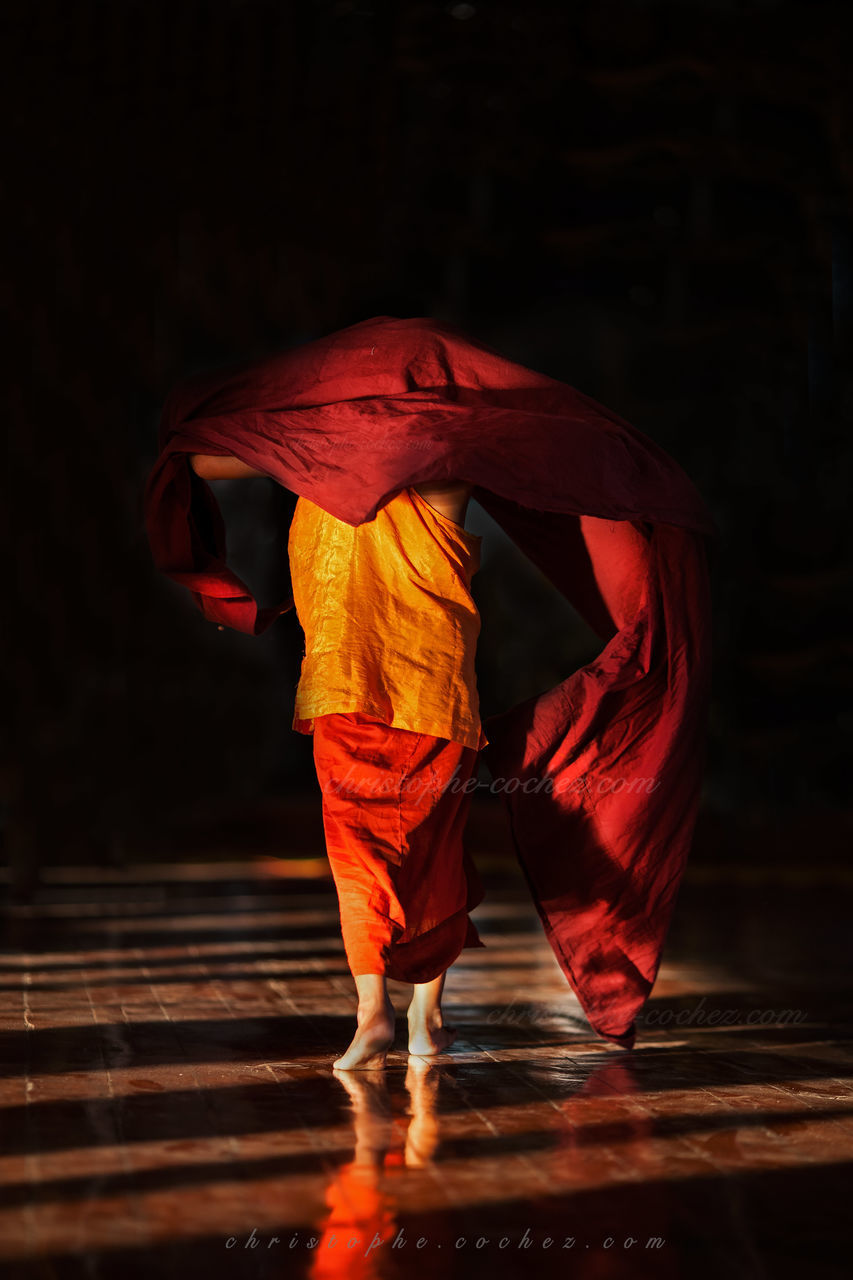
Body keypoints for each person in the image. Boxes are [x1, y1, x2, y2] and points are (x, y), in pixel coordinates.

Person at [190, 453, 487, 1069]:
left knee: (358, 852)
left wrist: (299, 443)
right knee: (435, 848)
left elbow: (201, 460)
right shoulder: (447, 470)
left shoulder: (308, 463)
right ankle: (424, 1019)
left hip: (347, 689)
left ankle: (374, 1010)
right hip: (433, 694)